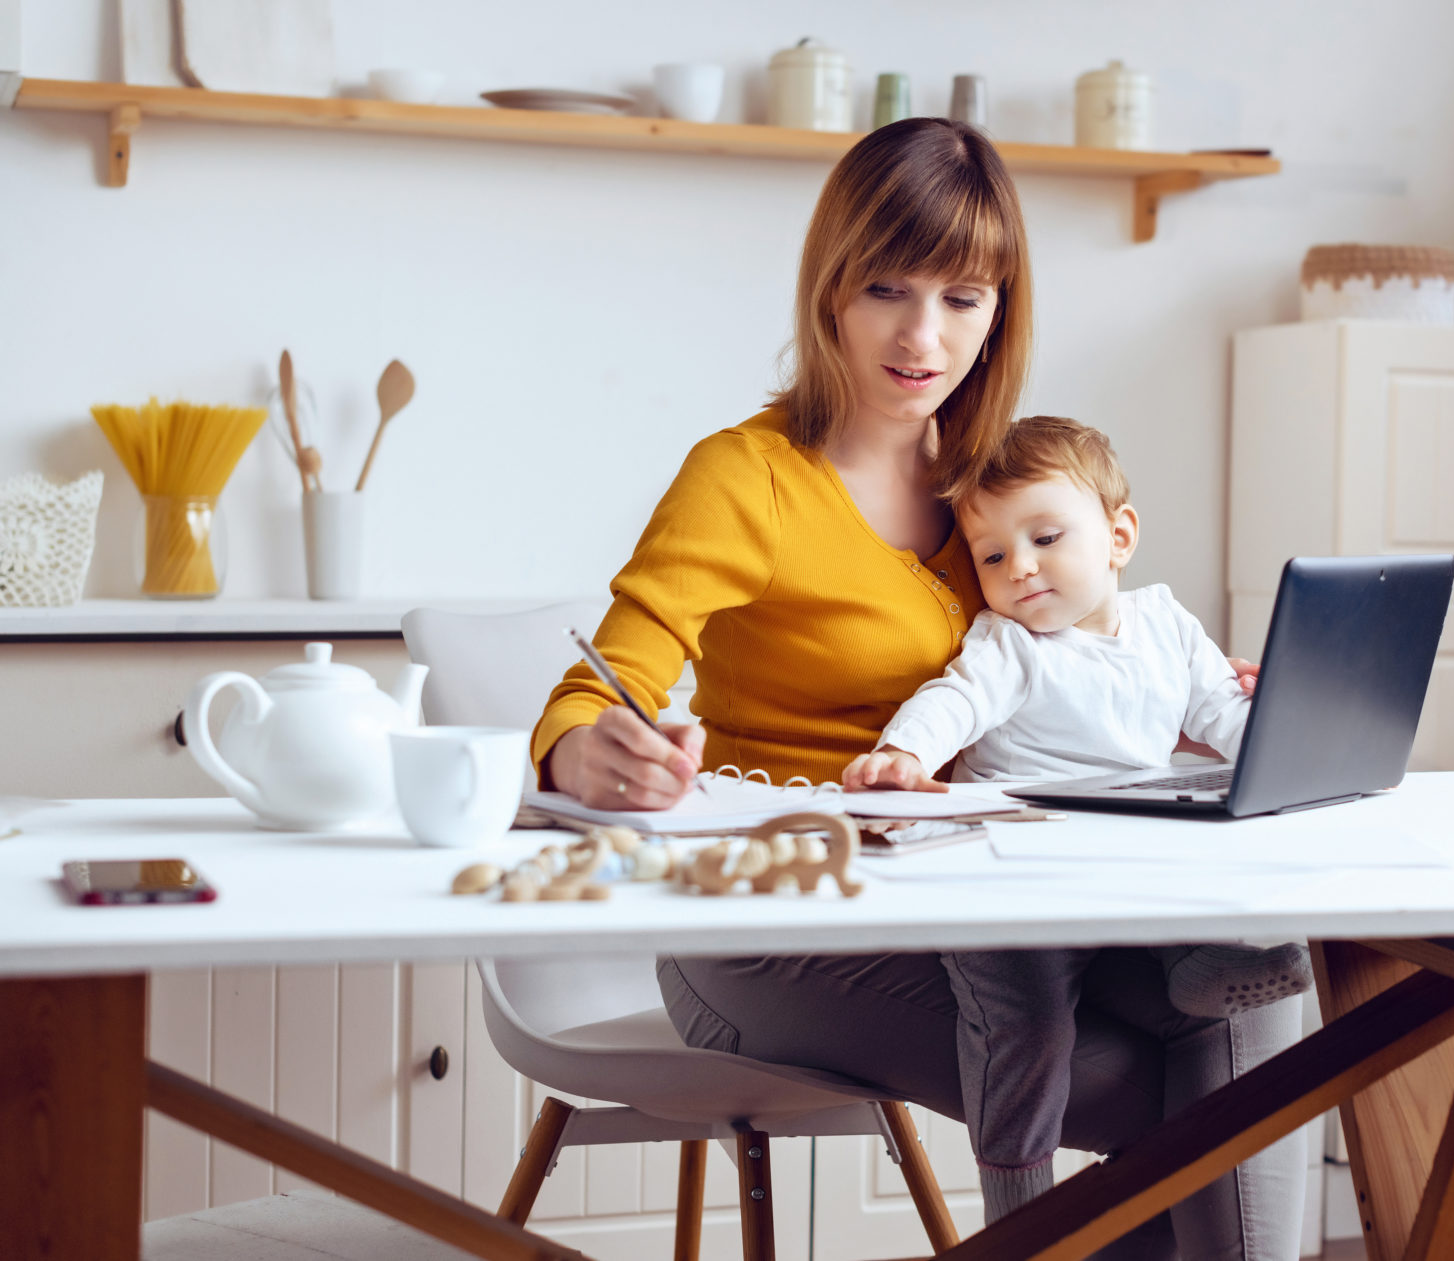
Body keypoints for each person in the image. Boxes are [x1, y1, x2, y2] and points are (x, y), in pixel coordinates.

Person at [532, 117, 1304, 1260]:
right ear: (829, 285)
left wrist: (1195, 691)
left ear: (1002, 309)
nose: (922, 335)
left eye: (964, 297)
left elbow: (1086, 644)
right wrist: (582, 749)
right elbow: (600, 684)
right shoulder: (747, 480)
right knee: (1152, 1078)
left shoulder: (996, 491)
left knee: (1262, 1005)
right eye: (888, 287)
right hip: (771, 923)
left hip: (998, 907)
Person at [842, 414, 1312, 1222]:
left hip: (1129, 860)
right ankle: (1019, 1198)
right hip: (1018, 880)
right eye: (991, 555)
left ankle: (1208, 966)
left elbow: (1232, 731)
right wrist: (903, 756)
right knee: (1021, 1029)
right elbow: (953, 700)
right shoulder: (1010, 644)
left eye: (1046, 536)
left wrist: (1286, 722)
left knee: (1216, 879)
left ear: (1119, 535)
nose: (1018, 568)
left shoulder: (1168, 626)